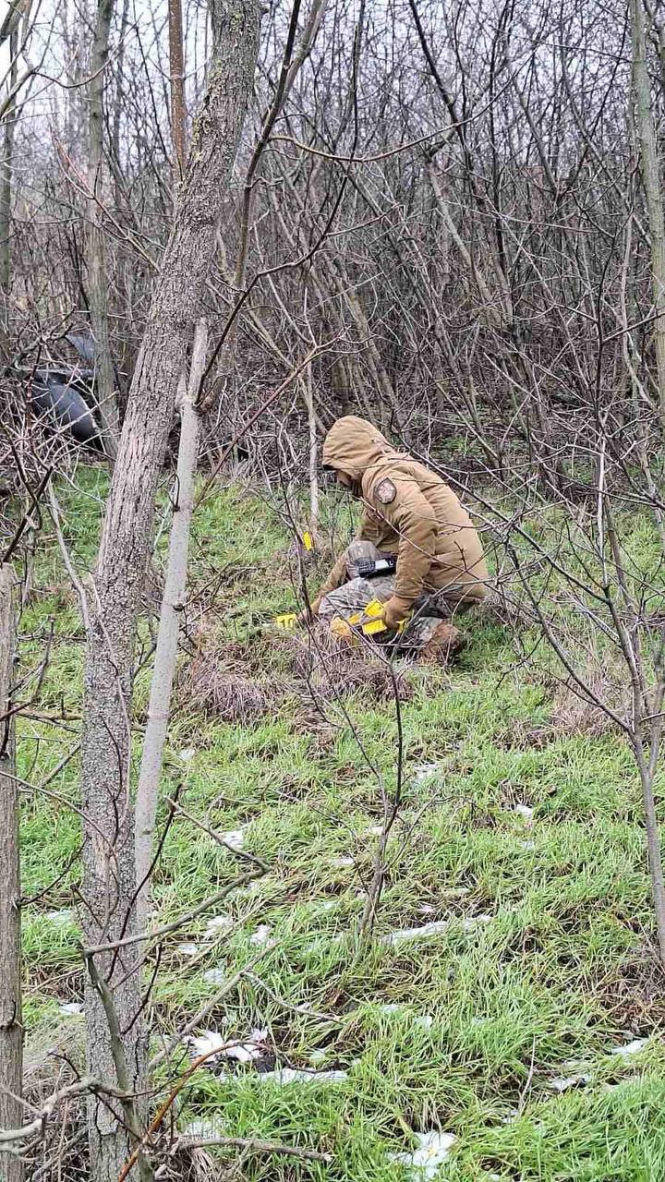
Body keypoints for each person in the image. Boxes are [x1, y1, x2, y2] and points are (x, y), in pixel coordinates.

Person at [306, 415, 489, 658]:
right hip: (451, 576)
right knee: (359, 556)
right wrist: (315, 604)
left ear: (349, 457)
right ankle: (413, 617)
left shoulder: (381, 476)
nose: (337, 479)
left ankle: (430, 634)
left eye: (335, 468)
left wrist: (401, 600)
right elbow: (358, 548)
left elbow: (420, 520)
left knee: (333, 609)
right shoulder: (387, 471)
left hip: (442, 584)